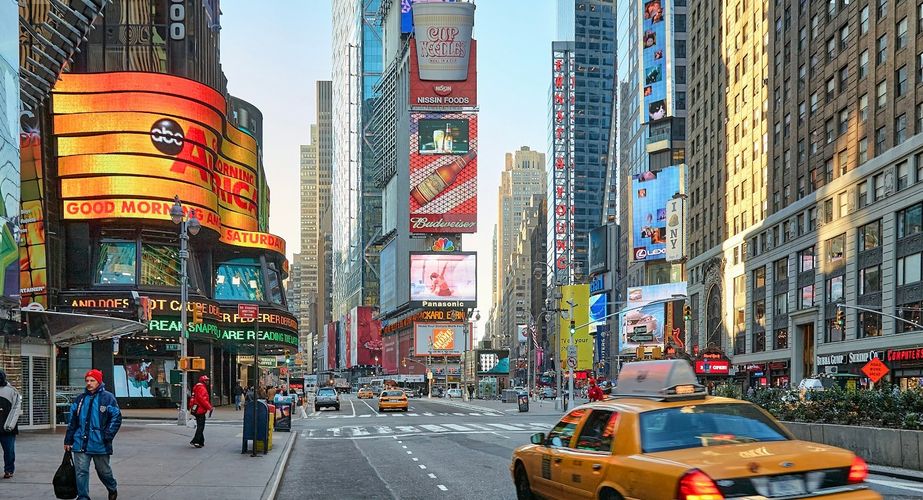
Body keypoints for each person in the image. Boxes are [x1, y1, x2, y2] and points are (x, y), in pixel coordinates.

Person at [64, 369, 122, 500]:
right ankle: (83, 497)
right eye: (87, 381)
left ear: (98, 382)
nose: (89, 383)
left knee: (104, 471)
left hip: (100, 443)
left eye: (92, 380)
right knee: (81, 472)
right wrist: (68, 440)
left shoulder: (108, 398)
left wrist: (107, 435)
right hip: (80, 442)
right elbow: (72, 422)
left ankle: (112, 487)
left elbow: (116, 417)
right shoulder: (79, 399)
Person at [0, 370, 22, 479]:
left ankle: (9, 470)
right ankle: (9, 470)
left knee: (8, 450)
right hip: (7, 427)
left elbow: (16, 409)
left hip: (7, 428)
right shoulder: (12, 391)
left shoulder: (12, 391)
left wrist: (10, 425)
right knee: (9, 450)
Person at [189, 375, 213, 448]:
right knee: (201, 426)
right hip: (200, 410)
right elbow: (202, 400)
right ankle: (195, 441)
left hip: (196, 409)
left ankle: (201, 441)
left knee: (200, 425)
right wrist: (209, 407)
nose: (208, 381)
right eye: (206, 380)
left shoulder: (196, 387)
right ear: (203, 381)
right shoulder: (202, 388)